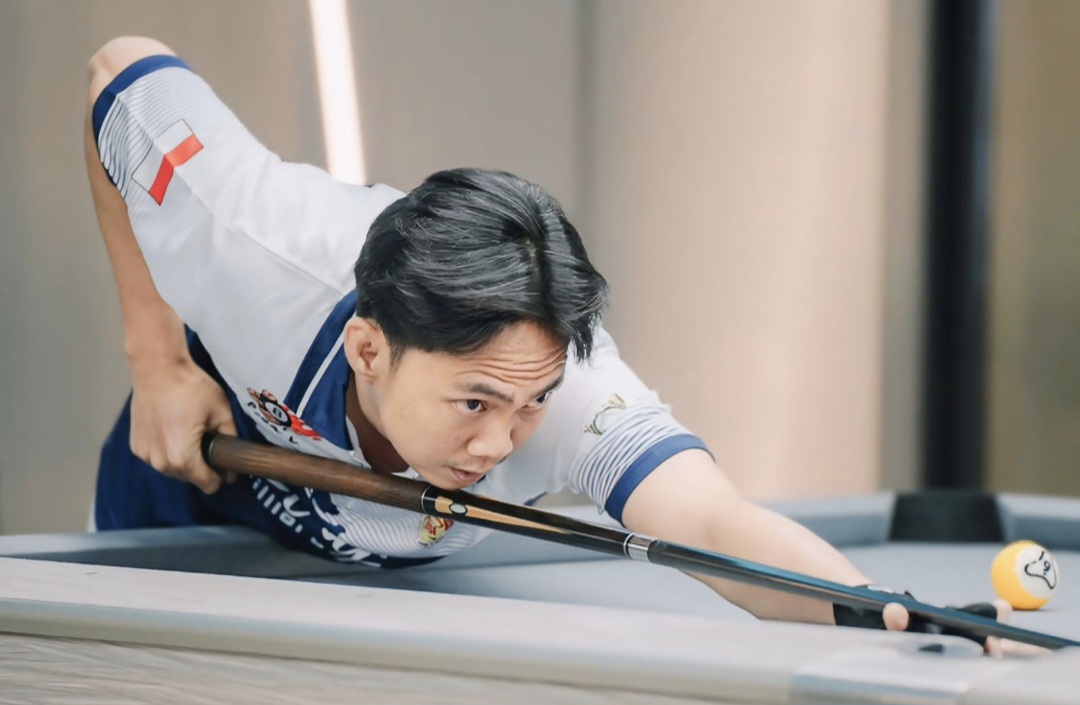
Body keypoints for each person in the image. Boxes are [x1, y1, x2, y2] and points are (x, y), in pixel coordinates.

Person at [85, 36, 1004, 645]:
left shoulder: (578, 395)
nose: (498, 442)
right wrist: (157, 360)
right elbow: (118, 69)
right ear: (369, 351)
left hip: (394, 600)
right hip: (188, 508)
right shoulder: (250, 240)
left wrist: (889, 615)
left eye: (529, 403)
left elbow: (716, 526)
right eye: (474, 400)